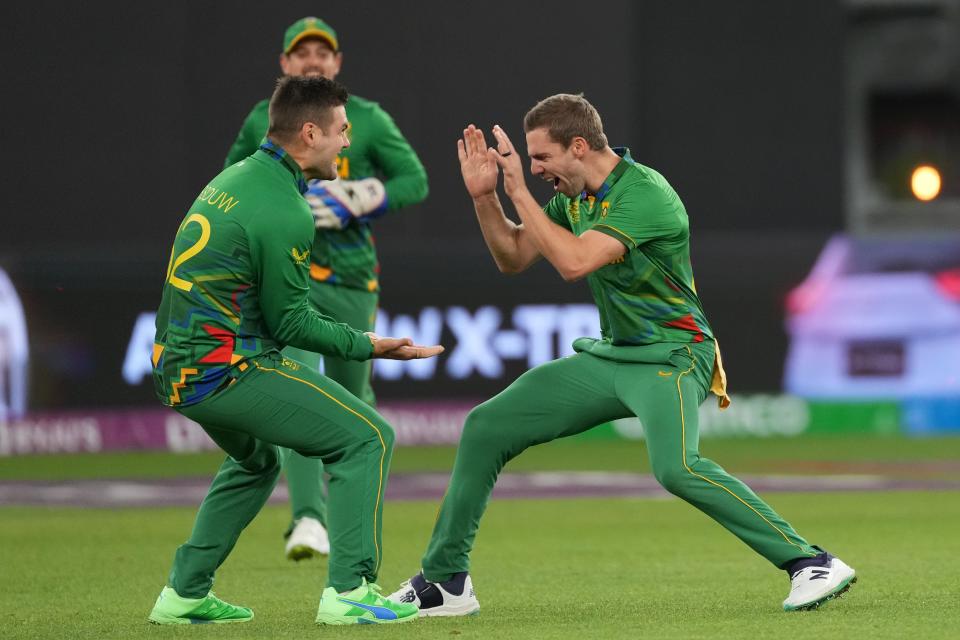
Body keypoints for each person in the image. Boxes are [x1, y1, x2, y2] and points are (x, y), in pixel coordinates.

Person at [388, 94, 857, 615]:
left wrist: (518, 190)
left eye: (541, 157)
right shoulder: (574, 199)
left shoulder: (646, 194)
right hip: (612, 357)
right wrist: (485, 198)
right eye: (531, 160)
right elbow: (515, 257)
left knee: (676, 467)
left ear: (580, 146)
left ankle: (810, 561)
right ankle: (446, 581)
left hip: (673, 355)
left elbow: (574, 263)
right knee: (486, 426)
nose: (534, 167)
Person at [147, 75, 438, 626]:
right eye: (342, 130)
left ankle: (183, 595)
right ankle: (349, 593)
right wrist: (369, 345)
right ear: (310, 133)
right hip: (224, 368)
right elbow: (291, 321)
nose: (348, 142)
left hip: (174, 365)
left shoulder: (233, 178)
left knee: (257, 461)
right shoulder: (286, 209)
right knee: (369, 437)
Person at [225, 16, 429, 562]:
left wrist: (364, 196)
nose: (313, 60)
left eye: (323, 53)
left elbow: (415, 179)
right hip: (287, 274)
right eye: (302, 53)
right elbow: (230, 185)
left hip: (352, 277)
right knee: (297, 385)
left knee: (354, 399)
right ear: (285, 64)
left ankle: (349, 524)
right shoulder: (261, 122)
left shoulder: (363, 118)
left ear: (337, 63)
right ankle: (307, 519)